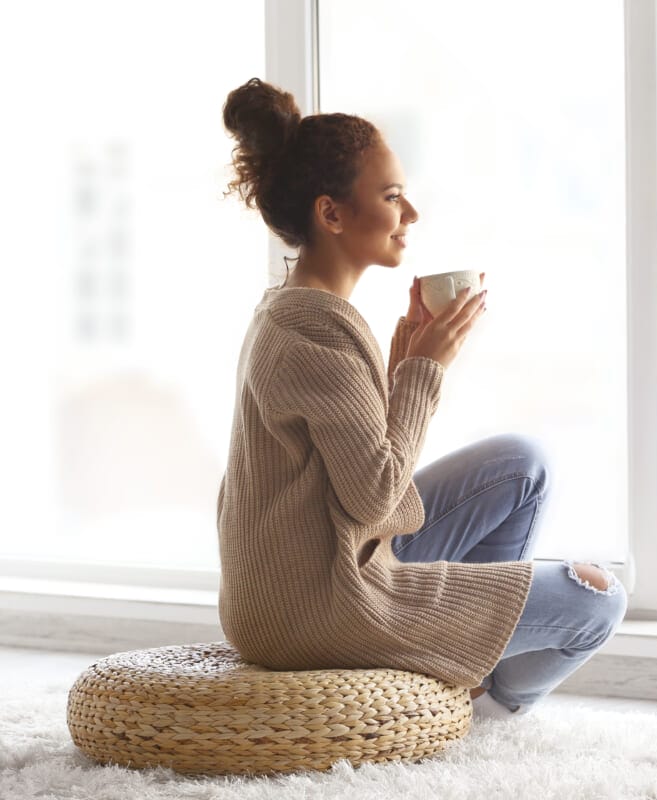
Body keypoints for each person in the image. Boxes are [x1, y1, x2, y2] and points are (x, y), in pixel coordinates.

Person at [216, 77, 627, 718]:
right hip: (317, 607)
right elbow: (377, 495)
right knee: (597, 599)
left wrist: (402, 364)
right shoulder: (314, 331)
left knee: (523, 465)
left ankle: (462, 675)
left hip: (316, 566)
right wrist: (421, 374)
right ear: (332, 214)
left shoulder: (297, 309)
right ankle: (484, 712)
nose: (410, 215)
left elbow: (347, 476)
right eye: (392, 197)